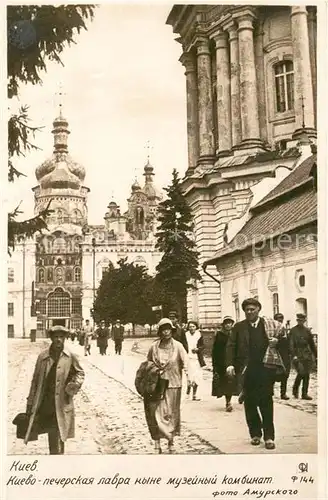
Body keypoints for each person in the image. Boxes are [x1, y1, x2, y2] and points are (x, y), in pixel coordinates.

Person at [226, 298, 286, 450]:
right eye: (247, 309)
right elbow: (231, 346)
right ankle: (255, 434)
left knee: (266, 401)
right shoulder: (239, 327)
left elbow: (284, 343)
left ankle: (269, 437)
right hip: (247, 370)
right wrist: (230, 364)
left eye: (252, 309)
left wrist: (276, 342)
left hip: (266, 369)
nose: (249, 312)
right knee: (250, 402)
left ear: (259, 309)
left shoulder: (269, 326)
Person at [24, 325, 85, 454]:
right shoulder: (42, 357)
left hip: (62, 401)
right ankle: (55, 454)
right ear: (51, 338)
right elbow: (35, 381)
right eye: (56, 337)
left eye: (61, 337)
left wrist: (74, 385)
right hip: (46, 401)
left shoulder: (70, 356)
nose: (58, 340)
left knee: (60, 430)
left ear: (65, 339)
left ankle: (57, 455)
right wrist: (30, 402)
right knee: (52, 432)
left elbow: (80, 373)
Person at [144, 318, 190, 454]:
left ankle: (171, 442)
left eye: (168, 329)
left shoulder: (178, 346)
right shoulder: (154, 347)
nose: (166, 332)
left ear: (172, 330)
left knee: (171, 414)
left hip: (174, 384)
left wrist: (190, 377)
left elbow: (186, 362)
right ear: (160, 331)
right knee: (156, 414)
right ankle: (157, 443)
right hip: (157, 385)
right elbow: (148, 363)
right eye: (163, 329)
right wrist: (154, 370)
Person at [212, 316, 238, 412]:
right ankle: (228, 401)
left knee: (233, 381)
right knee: (225, 382)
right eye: (226, 323)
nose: (228, 325)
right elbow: (215, 350)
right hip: (221, 362)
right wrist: (215, 365)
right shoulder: (219, 335)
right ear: (223, 325)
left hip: (232, 361)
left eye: (230, 323)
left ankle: (232, 400)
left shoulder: (235, 334)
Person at [290, 313, 317, 400]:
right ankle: (295, 389)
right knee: (301, 373)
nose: (300, 322)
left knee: (307, 374)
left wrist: (316, 355)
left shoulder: (307, 331)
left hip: (307, 355)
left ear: (304, 321)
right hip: (297, 355)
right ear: (297, 321)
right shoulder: (293, 331)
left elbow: (312, 344)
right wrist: (294, 355)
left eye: (302, 320)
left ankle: (304, 394)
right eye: (299, 320)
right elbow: (291, 344)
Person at [185, 321, 205, 401]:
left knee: (196, 377)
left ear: (196, 327)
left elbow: (203, 346)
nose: (191, 328)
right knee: (189, 376)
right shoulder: (185, 335)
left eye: (193, 326)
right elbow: (183, 345)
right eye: (190, 327)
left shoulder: (199, 335)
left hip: (197, 359)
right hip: (188, 358)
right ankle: (188, 392)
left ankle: (194, 394)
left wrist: (198, 349)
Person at [273, 313, 291, 400]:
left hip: (285, 355)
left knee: (285, 374)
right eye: (277, 319)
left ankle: (283, 393)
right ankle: (270, 392)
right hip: (275, 354)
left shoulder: (285, 330)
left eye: (281, 319)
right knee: (272, 374)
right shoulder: (272, 330)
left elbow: (288, 342)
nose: (279, 321)